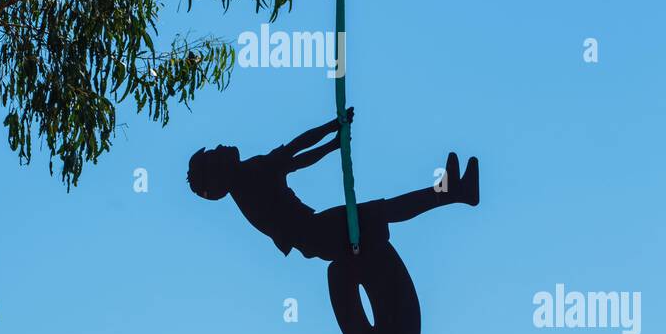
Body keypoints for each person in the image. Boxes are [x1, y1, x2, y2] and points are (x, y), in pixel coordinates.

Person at [187, 111, 479, 263]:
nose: (220, 146)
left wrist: (332, 134)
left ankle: (450, 192)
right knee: (384, 210)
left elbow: (295, 154)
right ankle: (451, 192)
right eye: (214, 153)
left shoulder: (248, 173)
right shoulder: (248, 178)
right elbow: (296, 153)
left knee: (383, 211)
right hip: (317, 235)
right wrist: (332, 136)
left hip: (316, 234)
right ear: (218, 171)